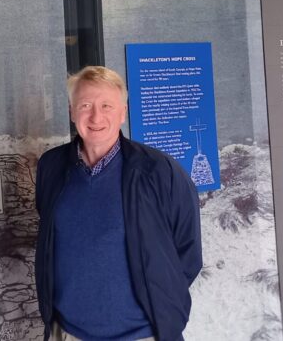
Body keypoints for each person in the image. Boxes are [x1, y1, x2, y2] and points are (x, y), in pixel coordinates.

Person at [35, 66, 202, 341]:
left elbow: (188, 252)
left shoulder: (159, 171)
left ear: (123, 112)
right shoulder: (51, 167)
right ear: (72, 111)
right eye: (85, 105)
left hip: (143, 335)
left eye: (107, 106)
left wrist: (160, 303)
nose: (96, 116)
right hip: (66, 333)